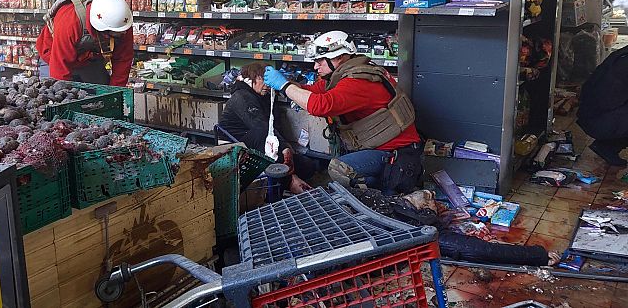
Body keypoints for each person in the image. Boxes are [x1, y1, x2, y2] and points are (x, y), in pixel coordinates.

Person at [263, 30, 422, 195]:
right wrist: (287, 83)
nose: (315, 67)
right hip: (379, 147)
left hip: (396, 154)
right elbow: (315, 91)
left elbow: (320, 105)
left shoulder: (358, 81)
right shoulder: (346, 74)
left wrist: (284, 86)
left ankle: (375, 195)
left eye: (319, 61)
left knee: (339, 169)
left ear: (338, 57)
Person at [350, 187, 561, 267]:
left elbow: (477, 249)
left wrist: (536, 255)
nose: (431, 194)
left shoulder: (419, 227)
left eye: (431, 199)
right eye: (430, 197)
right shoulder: (387, 198)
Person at [219, 62, 313, 194]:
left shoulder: (266, 97)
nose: (268, 85)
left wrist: (286, 148)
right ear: (251, 78)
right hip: (235, 146)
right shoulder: (241, 96)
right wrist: (284, 148)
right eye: (263, 79)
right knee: (263, 133)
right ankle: (289, 181)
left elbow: (274, 126)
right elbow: (261, 127)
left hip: (258, 144)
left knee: (307, 165)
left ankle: (288, 180)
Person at [37, 0, 134, 86]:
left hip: (88, 60)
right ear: (103, 29)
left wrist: (116, 92)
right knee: (52, 91)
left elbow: (123, 60)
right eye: (117, 33)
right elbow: (59, 68)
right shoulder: (70, 23)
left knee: (101, 93)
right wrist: (62, 92)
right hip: (54, 56)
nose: (124, 33)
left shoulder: (121, 24)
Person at [577, 45, 628, 165]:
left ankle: (608, 147)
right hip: (598, 120)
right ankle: (609, 145)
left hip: (596, 115)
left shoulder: (623, 54)